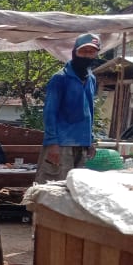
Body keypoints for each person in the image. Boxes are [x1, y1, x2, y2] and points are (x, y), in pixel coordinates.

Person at [36, 33, 101, 184]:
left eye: (91, 52)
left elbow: (90, 111)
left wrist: (90, 140)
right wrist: (52, 143)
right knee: (53, 188)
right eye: (83, 51)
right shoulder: (60, 78)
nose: (87, 56)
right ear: (74, 52)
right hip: (61, 144)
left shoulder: (91, 79)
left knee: (77, 190)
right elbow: (50, 112)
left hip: (82, 144)